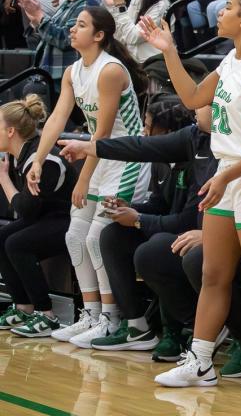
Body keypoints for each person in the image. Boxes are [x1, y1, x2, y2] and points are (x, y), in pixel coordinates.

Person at [142, 0, 241, 396]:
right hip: (228, 175)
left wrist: (228, 177)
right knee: (213, 273)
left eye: (228, 7)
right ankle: (201, 361)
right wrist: (168, 51)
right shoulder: (231, 60)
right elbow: (193, 98)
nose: (221, 13)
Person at [60, 104, 241, 375]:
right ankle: (174, 327)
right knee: (135, 245)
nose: (195, 107)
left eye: (203, 102)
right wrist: (92, 148)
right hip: (201, 232)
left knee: (187, 254)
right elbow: (141, 147)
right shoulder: (193, 137)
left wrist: (142, 219)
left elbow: (192, 217)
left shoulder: (236, 146)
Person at [29, 6, 151, 347]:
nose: (72, 29)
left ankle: (113, 320)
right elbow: (56, 118)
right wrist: (38, 159)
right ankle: (93, 316)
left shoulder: (110, 70)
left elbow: (106, 135)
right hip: (100, 156)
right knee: (74, 236)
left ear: (99, 35)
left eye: (80, 25)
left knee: (98, 237)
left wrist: (83, 178)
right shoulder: (72, 71)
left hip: (126, 160)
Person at [69, 99, 197, 352]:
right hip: (166, 227)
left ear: (169, 134)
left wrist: (138, 219)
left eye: (149, 128)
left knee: (153, 249)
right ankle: (136, 326)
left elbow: (188, 220)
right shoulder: (160, 163)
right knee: (112, 236)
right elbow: (160, 204)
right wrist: (129, 208)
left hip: (191, 235)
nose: (144, 133)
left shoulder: (197, 163)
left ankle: (178, 329)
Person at [0, 95, 76, 338]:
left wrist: (3, 179)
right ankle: (23, 307)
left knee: (16, 244)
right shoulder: (20, 154)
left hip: (69, 219)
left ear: (10, 131)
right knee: (3, 237)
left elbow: (25, 209)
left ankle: (46, 314)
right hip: (46, 217)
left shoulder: (41, 159)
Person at [20, 0, 102, 85]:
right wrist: (36, 21)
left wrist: (40, 16)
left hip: (64, 79)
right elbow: (53, 33)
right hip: (52, 75)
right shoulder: (71, 3)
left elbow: (67, 39)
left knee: (25, 92)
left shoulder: (87, 4)